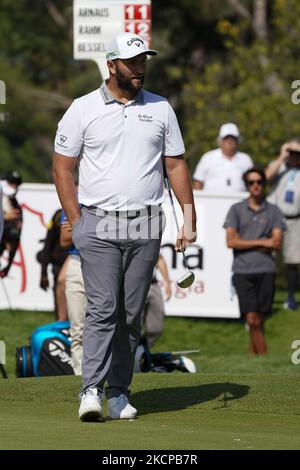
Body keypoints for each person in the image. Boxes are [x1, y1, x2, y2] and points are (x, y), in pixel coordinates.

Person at [53, 32, 197, 422]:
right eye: (132, 62)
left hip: (146, 223)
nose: (139, 68)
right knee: (103, 308)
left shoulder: (161, 108)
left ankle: (118, 393)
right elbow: (63, 167)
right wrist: (76, 221)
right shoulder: (82, 109)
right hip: (97, 222)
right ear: (111, 64)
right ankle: (91, 391)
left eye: (143, 61)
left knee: (130, 313)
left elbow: (176, 165)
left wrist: (190, 216)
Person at [224, 167, 285, 354]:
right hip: (243, 270)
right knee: (251, 318)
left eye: (259, 182)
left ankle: (254, 356)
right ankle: (264, 356)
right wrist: (261, 241)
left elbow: (276, 243)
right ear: (247, 185)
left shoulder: (274, 211)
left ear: (264, 185)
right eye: (252, 182)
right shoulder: (236, 209)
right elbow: (231, 241)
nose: (256, 185)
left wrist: (246, 242)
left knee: (261, 317)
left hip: (266, 268)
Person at [266, 139, 300, 310]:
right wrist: (282, 156)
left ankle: (291, 298)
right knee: (269, 258)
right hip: (274, 218)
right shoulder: (278, 165)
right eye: (292, 152)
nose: (294, 156)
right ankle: (268, 296)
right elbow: (266, 177)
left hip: (295, 219)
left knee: (292, 261)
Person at [60, 214, 87, 375]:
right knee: (77, 328)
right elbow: (64, 240)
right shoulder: (73, 199)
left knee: (106, 326)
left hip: (104, 264)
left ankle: (109, 381)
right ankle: (81, 380)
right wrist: (95, 226)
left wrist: (78, 227)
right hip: (77, 263)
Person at [193, 123, 253, 192]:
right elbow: (198, 182)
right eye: (226, 138)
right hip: (211, 201)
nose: (229, 141)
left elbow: (252, 182)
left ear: (238, 141)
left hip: (240, 201)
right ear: (220, 141)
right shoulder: (207, 157)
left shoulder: (246, 159)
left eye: (233, 138)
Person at [37, 208, 69, 321]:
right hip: (58, 266)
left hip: (78, 264)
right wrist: (43, 273)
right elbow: (48, 245)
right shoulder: (59, 215)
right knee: (59, 302)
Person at [142, 253, 172, 348]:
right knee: (133, 326)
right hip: (135, 284)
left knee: (156, 329)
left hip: (153, 284)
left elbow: (159, 258)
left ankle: (142, 349)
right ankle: (132, 355)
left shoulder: (151, 238)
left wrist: (167, 282)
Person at [0, 171, 23, 278]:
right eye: (11, 183)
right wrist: (5, 217)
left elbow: (15, 238)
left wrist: (8, 266)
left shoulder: (16, 208)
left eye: (16, 183)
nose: (14, 186)